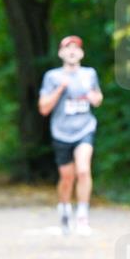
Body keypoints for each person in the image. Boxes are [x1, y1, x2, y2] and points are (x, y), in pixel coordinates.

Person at [38, 35, 103, 235]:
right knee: (67, 177)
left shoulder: (89, 74)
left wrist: (94, 97)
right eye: (68, 48)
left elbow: (98, 98)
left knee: (83, 171)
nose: (72, 51)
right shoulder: (52, 76)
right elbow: (43, 108)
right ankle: (64, 208)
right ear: (61, 53)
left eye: (76, 48)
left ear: (81, 53)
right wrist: (61, 89)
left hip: (85, 128)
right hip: (61, 132)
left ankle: (82, 217)